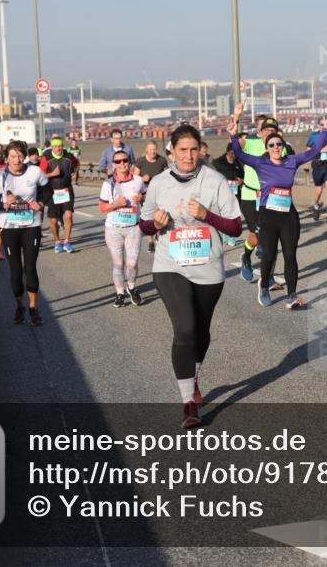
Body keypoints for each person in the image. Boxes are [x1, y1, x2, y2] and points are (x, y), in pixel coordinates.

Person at [139, 124, 242, 429]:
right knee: (184, 328)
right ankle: (188, 404)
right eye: (182, 150)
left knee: (201, 331)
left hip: (208, 266)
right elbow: (144, 225)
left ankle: (193, 374)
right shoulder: (159, 183)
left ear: (201, 150)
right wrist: (155, 226)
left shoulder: (215, 181)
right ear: (171, 151)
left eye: (193, 149)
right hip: (170, 264)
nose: (188, 155)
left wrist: (207, 216)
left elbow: (235, 227)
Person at [229, 102, 327, 309]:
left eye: (279, 144)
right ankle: (264, 285)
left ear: (283, 146)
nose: (275, 147)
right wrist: (233, 133)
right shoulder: (260, 163)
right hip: (268, 215)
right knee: (268, 255)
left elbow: (313, 152)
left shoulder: (291, 161)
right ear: (266, 148)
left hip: (288, 216)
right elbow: (239, 154)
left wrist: (325, 131)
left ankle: (291, 295)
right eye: (272, 145)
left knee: (290, 255)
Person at [0, 140, 51, 326]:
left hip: (31, 225)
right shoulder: (0, 176)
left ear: (24, 156)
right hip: (9, 228)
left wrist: (39, 203)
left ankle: (33, 308)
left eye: (19, 156)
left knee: (30, 268)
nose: (16, 160)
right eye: (12, 156)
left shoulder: (34, 171)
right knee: (15, 271)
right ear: (6, 158)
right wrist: (4, 204)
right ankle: (19, 306)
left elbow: (48, 191)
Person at [235, 116, 288, 288]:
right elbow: (236, 142)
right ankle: (246, 256)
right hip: (251, 196)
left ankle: (269, 277)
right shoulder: (251, 143)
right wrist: (235, 120)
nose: (269, 133)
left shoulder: (280, 148)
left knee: (272, 239)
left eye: (273, 130)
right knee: (256, 236)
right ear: (261, 131)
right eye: (266, 130)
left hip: (272, 197)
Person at [99, 150, 146, 307]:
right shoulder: (108, 183)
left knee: (132, 264)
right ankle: (119, 293)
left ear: (129, 162)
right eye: (118, 161)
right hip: (114, 229)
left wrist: (142, 197)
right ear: (113, 165)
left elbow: (147, 196)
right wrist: (115, 205)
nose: (121, 164)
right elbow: (102, 207)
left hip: (133, 228)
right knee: (118, 264)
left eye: (124, 160)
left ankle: (131, 288)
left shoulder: (138, 181)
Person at [134, 140, 170, 253]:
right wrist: (142, 178)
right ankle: (150, 241)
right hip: (145, 192)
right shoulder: (140, 161)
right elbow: (135, 178)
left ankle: (159, 237)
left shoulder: (162, 160)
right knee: (149, 216)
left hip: (160, 191)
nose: (153, 152)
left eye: (154, 149)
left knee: (159, 214)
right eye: (150, 150)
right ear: (146, 150)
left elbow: (168, 174)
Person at [42, 138, 76, 253]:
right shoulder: (46, 157)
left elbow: (77, 165)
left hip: (67, 190)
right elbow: (40, 176)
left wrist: (74, 173)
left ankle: (67, 241)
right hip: (52, 191)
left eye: (60, 146)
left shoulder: (69, 156)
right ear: (52, 147)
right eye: (56, 146)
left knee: (69, 215)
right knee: (53, 220)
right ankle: (57, 241)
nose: (58, 149)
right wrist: (52, 174)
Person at [307, 120, 327, 223]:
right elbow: (308, 149)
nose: (323, 126)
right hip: (318, 165)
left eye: (325, 124)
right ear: (318, 125)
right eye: (321, 125)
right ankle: (316, 205)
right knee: (319, 190)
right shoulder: (314, 136)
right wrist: (317, 152)